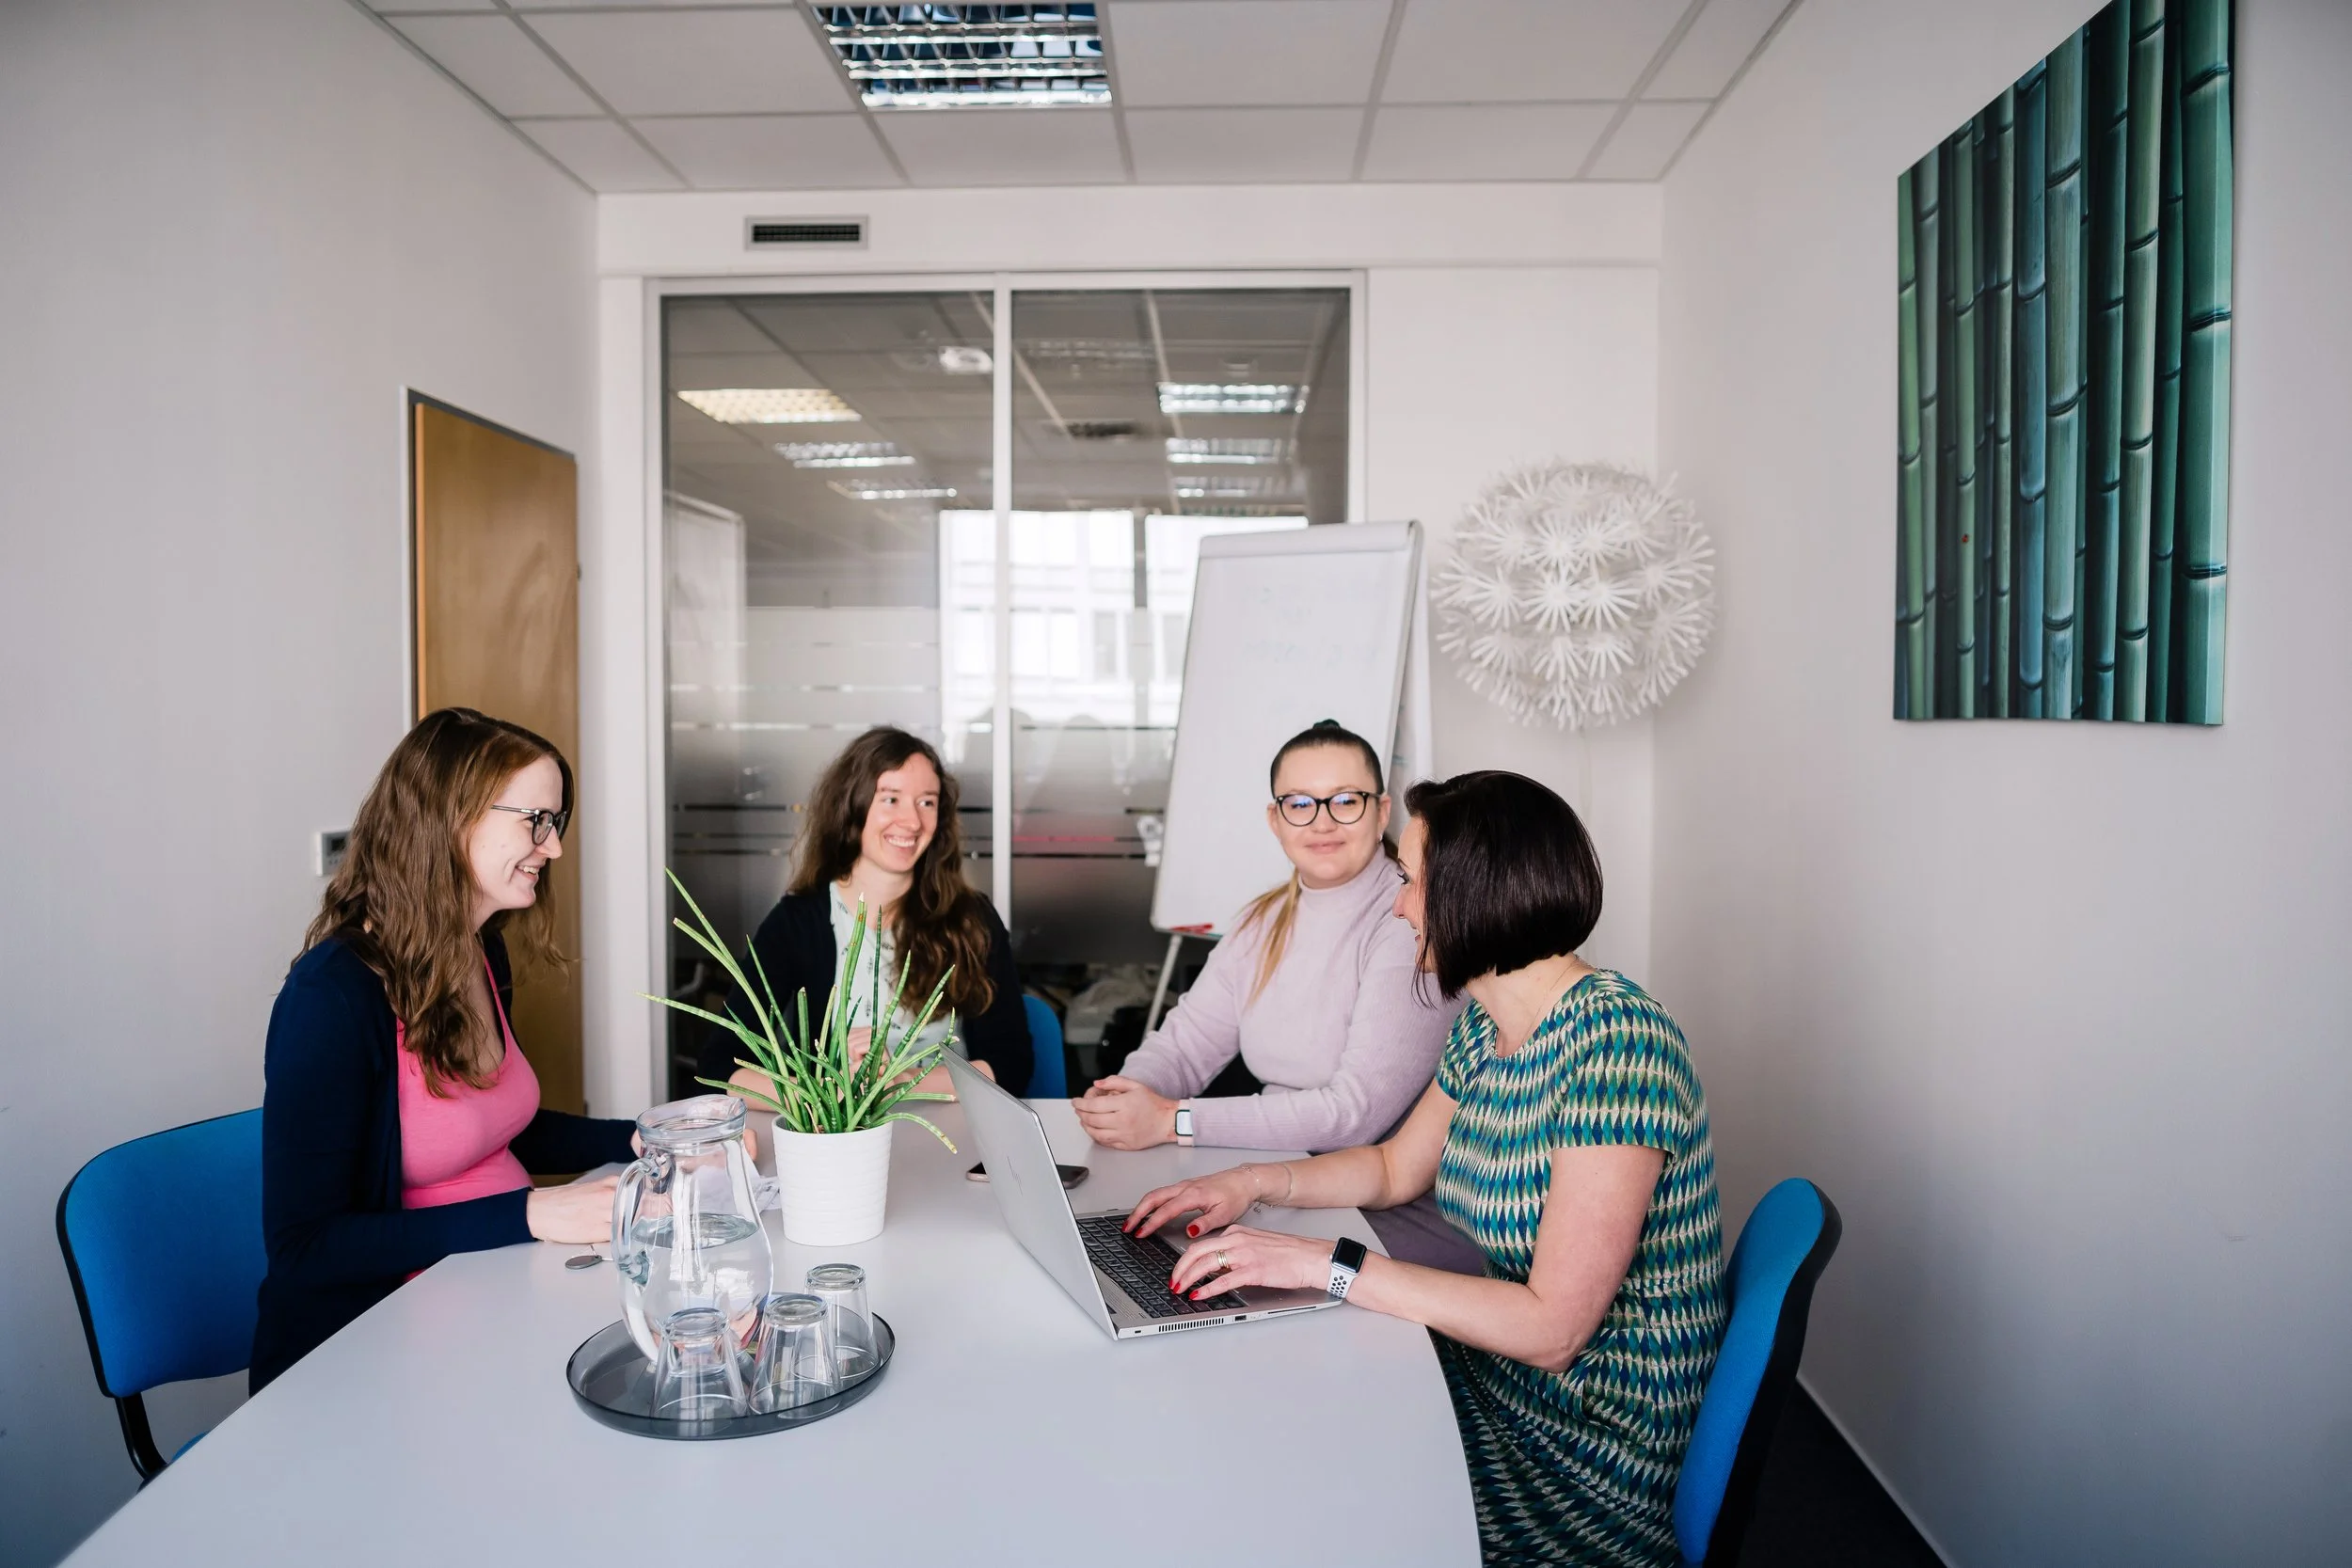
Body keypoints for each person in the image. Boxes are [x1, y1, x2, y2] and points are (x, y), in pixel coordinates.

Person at [1124, 771, 1725, 1568]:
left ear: (1475, 891)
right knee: (1271, 1404)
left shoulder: (1620, 1045)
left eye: (1411, 880)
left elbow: (1552, 1330)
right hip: (1499, 1382)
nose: (1400, 904)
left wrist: (1327, 1264)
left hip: (1581, 1447)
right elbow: (1392, 1167)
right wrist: (1249, 1183)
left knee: (1296, 1480)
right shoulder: (1488, 1021)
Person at [252, 709, 652, 1391]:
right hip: (374, 1355)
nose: (552, 848)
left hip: (493, 1297)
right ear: (451, 815)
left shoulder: (478, 950)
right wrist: (528, 1212)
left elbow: (499, 1125)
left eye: (554, 823)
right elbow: (306, 1247)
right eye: (535, 821)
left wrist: (647, 1137)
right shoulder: (332, 997)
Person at [1074, 719, 1472, 1266]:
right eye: (1300, 804)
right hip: (1268, 1176)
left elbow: (1353, 1117)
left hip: (1377, 1205)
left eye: (1346, 801)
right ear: (1275, 819)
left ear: (1382, 812)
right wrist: (1127, 1098)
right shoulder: (1264, 918)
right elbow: (1186, 1044)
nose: (1323, 821)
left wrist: (1173, 1121)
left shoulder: (1411, 922)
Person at [698, 726, 1031, 1100]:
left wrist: (897, 1081)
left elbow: (1011, 1065)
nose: (912, 821)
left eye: (927, 802)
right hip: (842, 1142)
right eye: (891, 799)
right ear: (852, 807)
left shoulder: (972, 919)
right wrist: (825, 1097)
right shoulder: (798, 922)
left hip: (957, 1135)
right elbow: (721, 1065)